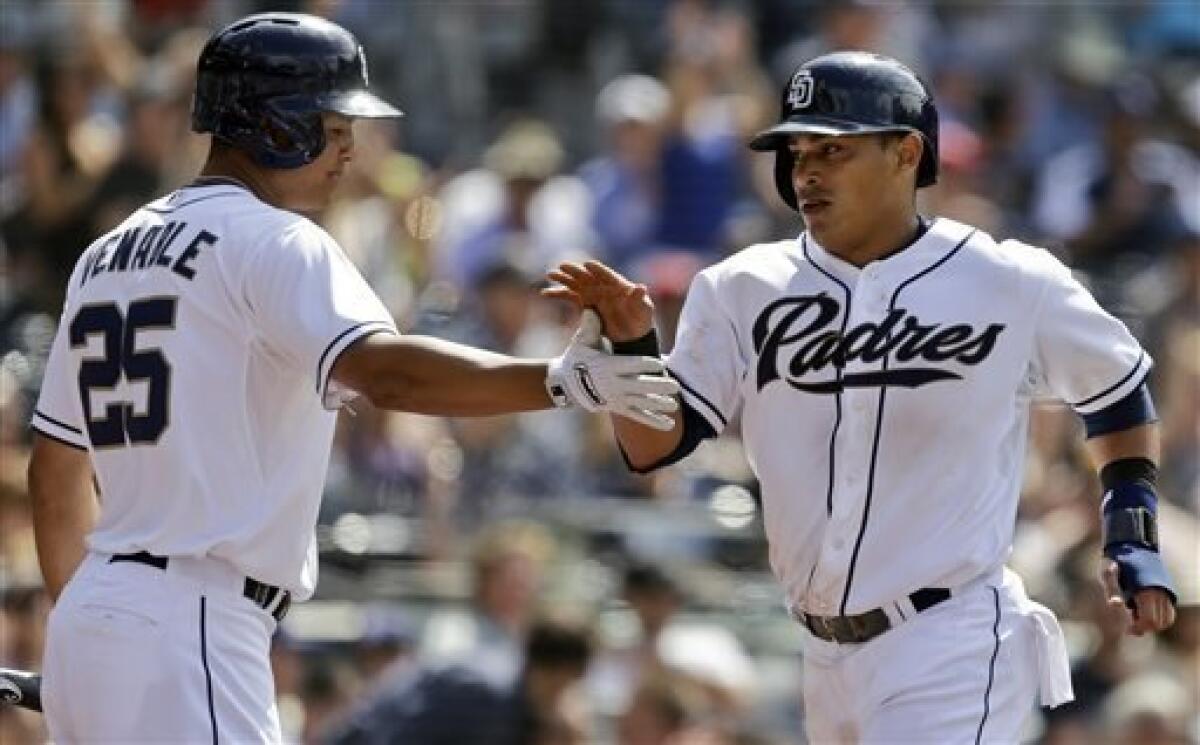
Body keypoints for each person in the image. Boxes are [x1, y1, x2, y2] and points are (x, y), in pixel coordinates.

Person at [26, 13, 678, 743]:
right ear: (274, 125)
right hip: (197, 616)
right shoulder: (278, 240)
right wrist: (560, 381)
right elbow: (387, 374)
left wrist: (92, 630)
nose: (350, 150)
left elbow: (55, 476)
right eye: (333, 127)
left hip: (94, 609)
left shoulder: (105, 254)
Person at [546, 51, 1178, 743]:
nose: (806, 170)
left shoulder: (1009, 281)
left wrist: (1131, 524)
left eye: (832, 149)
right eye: (794, 150)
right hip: (822, 654)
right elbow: (651, 447)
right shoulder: (739, 287)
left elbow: (1117, 388)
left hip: (951, 638)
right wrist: (636, 350)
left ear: (906, 153)